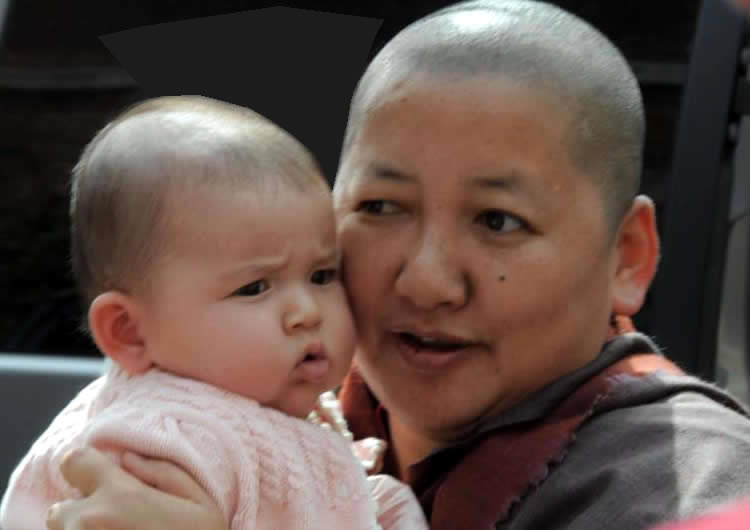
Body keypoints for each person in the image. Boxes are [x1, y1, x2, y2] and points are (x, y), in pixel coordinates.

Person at [45, 1, 750, 529]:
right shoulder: (281, 404)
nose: (426, 281)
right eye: (381, 207)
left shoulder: (686, 487)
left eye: (498, 221)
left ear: (627, 256)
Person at [0, 95, 428, 530]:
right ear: (129, 332)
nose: (307, 311)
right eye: (254, 288)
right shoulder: (157, 447)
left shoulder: (263, 408)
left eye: (322, 275)